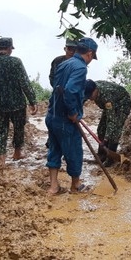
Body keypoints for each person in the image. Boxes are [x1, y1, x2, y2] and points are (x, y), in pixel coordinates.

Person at [45, 37, 98, 195]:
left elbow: (56, 86)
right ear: (89, 53)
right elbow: (69, 90)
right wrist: (73, 112)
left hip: (52, 115)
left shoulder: (63, 64)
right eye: (92, 57)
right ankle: (75, 186)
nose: (90, 61)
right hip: (65, 119)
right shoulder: (80, 67)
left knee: (54, 150)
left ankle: (53, 186)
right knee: (74, 151)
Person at [0, 37, 38, 164]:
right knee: (18, 127)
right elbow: (24, 83)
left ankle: (1, 158)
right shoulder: (16, 62)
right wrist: (32, 101)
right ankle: (17, 152)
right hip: (16, 104)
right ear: (9, 48)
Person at [83, 79, 131, 166]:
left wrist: (105, 139)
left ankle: (111, 159)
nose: (90, 98)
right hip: (112, 104)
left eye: (90, 95)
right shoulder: (89, 87)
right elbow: (82, 99)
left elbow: (111, 120)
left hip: (122, 104)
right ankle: (102, 155)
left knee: (115, 130)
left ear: (95, 90)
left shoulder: (107, 97)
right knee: (101, 129)